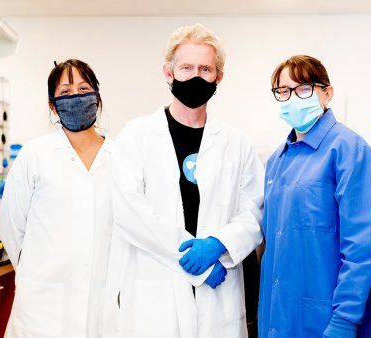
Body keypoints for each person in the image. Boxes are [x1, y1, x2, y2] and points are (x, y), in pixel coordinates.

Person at [105, 23, 264, 338]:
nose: (195, 76)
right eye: (186, 67)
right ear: (168, 73)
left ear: (219, 77)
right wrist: (198, 264)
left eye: (205, 69)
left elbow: (254, 210)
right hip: (157, 293)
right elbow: (130, 213)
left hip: (220, 294)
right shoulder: (136, 136)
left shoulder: (237, 143)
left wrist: (219, 244)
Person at [258, 55, 371, 338]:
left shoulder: (350, 151)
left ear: (327, 93)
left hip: (327, 319)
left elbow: (362, 249)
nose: (293, 98)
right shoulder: (277, 160)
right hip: (277, 317)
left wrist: (344, 321)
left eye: (303, 89)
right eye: (284, 91)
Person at [0, 59, 114, 337]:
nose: (76, 97)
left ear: (97, 97)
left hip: (104, 302)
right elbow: (11, 228)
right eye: (65, 93)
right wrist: (39, 273)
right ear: (53, 105)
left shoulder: (121, 156)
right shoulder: (34, 155)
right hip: (43, 306)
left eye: (84, 88)